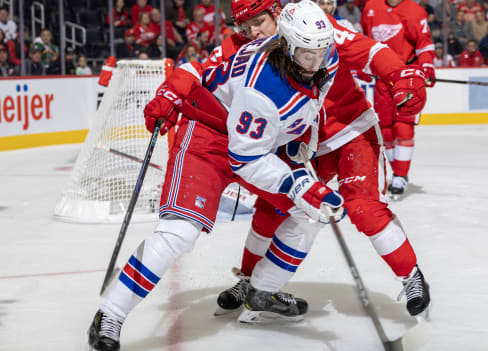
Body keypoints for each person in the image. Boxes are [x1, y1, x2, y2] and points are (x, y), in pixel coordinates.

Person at [88, 2, 344, 350]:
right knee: (179, 232)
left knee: (308, 213)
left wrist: (301, 147)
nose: (315, 64)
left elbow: (309, 105)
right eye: (306, 56)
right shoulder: (262, 86)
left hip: (256, 142)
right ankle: (111, 313)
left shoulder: (321, 54)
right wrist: (297, 182)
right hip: (211, 140)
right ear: (286, 43)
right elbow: (245, 158)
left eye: (320, 53)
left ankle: (261, 292)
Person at [208, 0, 430, 321]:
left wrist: (400, 74)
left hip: (350, 131)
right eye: (244, 26)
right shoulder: (247, 47)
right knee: (274, 208)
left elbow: (369, 51)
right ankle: (250, 281)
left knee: (363, 208)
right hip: (303, 144)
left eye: (257, 22)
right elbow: (209, 75)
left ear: (275, 14)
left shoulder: (315, 28)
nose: (251, 31)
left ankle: (411, 276)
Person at [361, 0, 435, 199]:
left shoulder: (414, 10)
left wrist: (427, 66)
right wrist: (365, 65)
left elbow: (424, 42)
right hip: (383, 77)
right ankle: (398, 173)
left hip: (408, 75)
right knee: (385, 130)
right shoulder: (371, 7)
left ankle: (400, 176)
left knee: (403, 127)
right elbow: (367, 41)